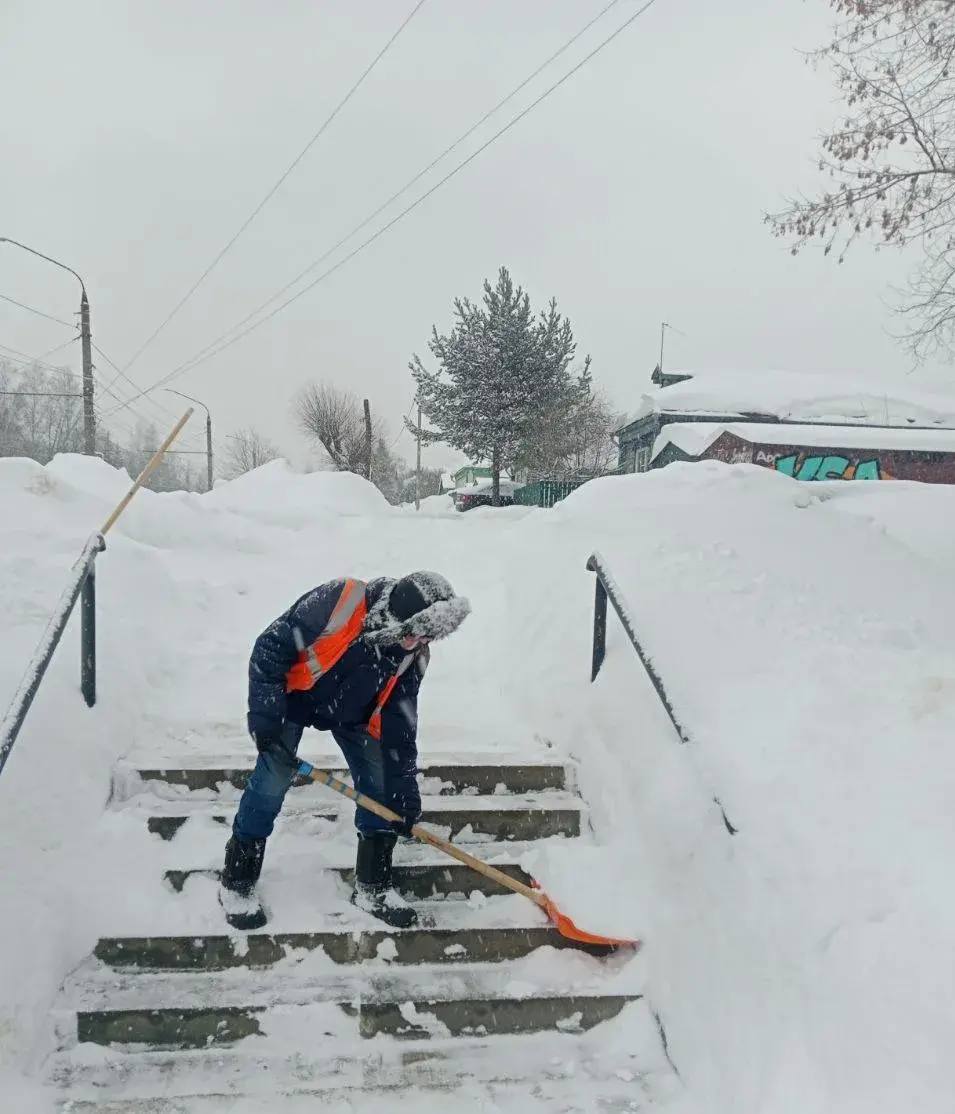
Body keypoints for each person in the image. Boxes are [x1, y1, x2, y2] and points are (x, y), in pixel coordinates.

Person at [219, 571, 470, 930]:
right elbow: (270, 647)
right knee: (272, 779)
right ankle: (237, 880)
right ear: (395, 618)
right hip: (293, 699)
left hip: (354, 714)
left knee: (381, 782)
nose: (420, 643)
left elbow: (400, 724)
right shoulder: (340, 600)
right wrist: (266, 718)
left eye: (428, 636)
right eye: (416, 632)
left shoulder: (412, 654)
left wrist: (403, 794)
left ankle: (373, 886)